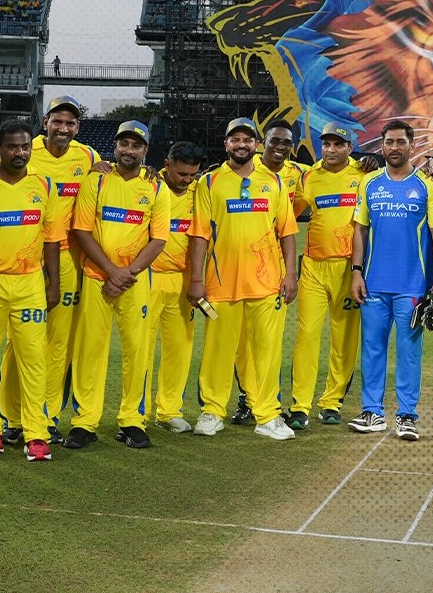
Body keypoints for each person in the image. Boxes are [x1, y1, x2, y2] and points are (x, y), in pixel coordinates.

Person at [0, 95, 105, 447]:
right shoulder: (25, 148)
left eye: (70, 123)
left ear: (78, 128)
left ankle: (46, 416)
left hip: (68, 259)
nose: (63, 128)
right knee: (17, 342)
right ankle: (12, 417)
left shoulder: (87, 157)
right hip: (24, 260)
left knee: (59, 343)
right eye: (58, 121)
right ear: (47, 123)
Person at [187, 117, 298, 441]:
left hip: (267, 284)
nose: (241, 144)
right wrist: (196, 279)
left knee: (267, 352)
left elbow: (288, 233)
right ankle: (212, 411)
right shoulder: (210, 183)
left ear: (256, 145)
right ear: (226, 145)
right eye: (235, 139)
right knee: (218, 351)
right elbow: (199, 236)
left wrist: (290, 274)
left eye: (247, 139)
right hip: (221, 284)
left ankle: (267, 415)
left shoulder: (274, 182)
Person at [63, 121, 170, 450]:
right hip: (97, 278)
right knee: (89, 351)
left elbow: (159, 239)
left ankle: (131, 420)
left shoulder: (155, 187)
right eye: (124, 143)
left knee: (137, 351)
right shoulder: (96, 180)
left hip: (135, 282)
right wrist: (111, 271)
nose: (129, 150)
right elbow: (81, 230)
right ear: (115, 146)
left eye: (136, 145)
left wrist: (127, 272)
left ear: (145, 151)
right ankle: (85, 422)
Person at [0, 119, 63, 462]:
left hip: (30, 282)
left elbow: (52, 240)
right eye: (12, 147)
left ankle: (36, 432)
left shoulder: (44, 185)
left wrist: (54, 284)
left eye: (24, 147)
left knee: (34, 358)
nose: (19, 153)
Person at [349, 119, 433, 440]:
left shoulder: (428, 186)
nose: (394, 147)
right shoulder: (369, 184)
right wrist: (356, 272)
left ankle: (407, 416)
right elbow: (360, 231)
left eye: (400, 142)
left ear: (411, 146)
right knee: (372, 349)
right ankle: (372, 412)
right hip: (374, 283)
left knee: (409, 353)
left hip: (413, 287)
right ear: (382, 145)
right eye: (389, 142)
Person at [229, 119, 306, 426]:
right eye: (274, 141)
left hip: (270, 265)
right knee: (240, 342)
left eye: (286, 143)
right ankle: (246, 399)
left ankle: (267, 402)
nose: (279, 147)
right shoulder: (241, 169)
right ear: (263, 142)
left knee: (268, 342)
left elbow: (292, 217)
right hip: (236, 266)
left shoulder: (298, 174)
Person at [286, 122, 363, 429]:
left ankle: (331, 402)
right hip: (315, 267)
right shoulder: (309, 177)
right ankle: (300, 406)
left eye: (338, 145)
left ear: (349, 148)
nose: (330, 150)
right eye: (326, 144)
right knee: (306, 337)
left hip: (348, 269)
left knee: (344, 340)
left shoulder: (363, 176)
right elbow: (287, 214)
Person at [145, 141, 203, 434]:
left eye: (192, 175)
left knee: (179, 349)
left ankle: (168, 411)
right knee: (141, 347)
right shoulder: (149, 185)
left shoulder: (199, 192)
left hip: (182, 280)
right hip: (149, 277)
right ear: (166, 165)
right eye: (181, 174)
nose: (186, 180)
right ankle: (136, 412)